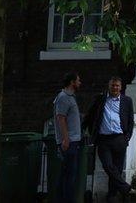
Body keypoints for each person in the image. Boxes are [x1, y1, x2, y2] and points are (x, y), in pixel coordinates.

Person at [83, 76, 134, 202]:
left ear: (121, 87)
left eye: (117, 85)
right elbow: (90, 116)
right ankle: (125, 188)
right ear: (109, 86)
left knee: (116, 169)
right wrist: (84, 130)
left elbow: (131, 121)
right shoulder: (100, 99)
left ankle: (111, 195)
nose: (115, 88)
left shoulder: (127, 101)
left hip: (119, 139)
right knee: (108, 166)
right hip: (103, 139)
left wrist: (127, 138)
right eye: (112, 85)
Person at [54, 72, 83, 203]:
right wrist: (65, 139)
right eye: (78, 81)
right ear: (72, 82)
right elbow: (61, 118)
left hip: (73, 141)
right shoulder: (63, 97)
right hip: (69, 142)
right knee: (68, 176)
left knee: (67, 174)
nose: (79, 83)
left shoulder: (70, 97)